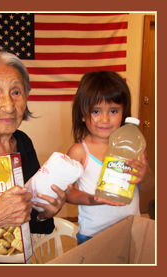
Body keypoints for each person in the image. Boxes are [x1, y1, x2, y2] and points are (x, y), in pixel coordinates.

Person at [0, 50, 72, 263]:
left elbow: (32, 224)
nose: (9, 106)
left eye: (16, 92)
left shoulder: (24, 144)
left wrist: (45, 212)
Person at [66, 71, 155, 245]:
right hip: (93, 234)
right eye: (96, 111)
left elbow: (149, 185)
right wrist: (91, 199)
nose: (105, 119)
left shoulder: (132, 147)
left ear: (124, 113)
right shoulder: (80, 152)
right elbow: (68, 193)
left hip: (130, 230)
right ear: (83, 114)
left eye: (113, 111)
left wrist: (144, 177)